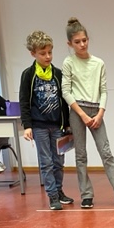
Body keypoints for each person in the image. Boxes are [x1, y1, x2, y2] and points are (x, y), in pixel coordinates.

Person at [62, 17, 114, 209]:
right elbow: (66, 91)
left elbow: (104, 91)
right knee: (81, 155)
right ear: (70, 44)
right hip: (77, 111)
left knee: (106, 152)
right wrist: (82, 115)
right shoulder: (69, 62)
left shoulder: (98, 63)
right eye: (77, 42)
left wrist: (100, 114)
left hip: (96, 110)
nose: (82, 44)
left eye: (84, 40)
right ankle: (86, 195)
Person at [19, 30, 74, 210]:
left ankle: (59, 190)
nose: (48, 56)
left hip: (57, 125)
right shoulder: (28, 75)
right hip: (39, 126)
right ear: (33, 54)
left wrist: (67, 123)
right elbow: (24, 101)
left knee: (59, 161)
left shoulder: (57, 73)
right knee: (46, 162)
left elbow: (63, 100)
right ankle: (52, 196)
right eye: (43, 53)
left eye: (50, 52)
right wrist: (27, 126)